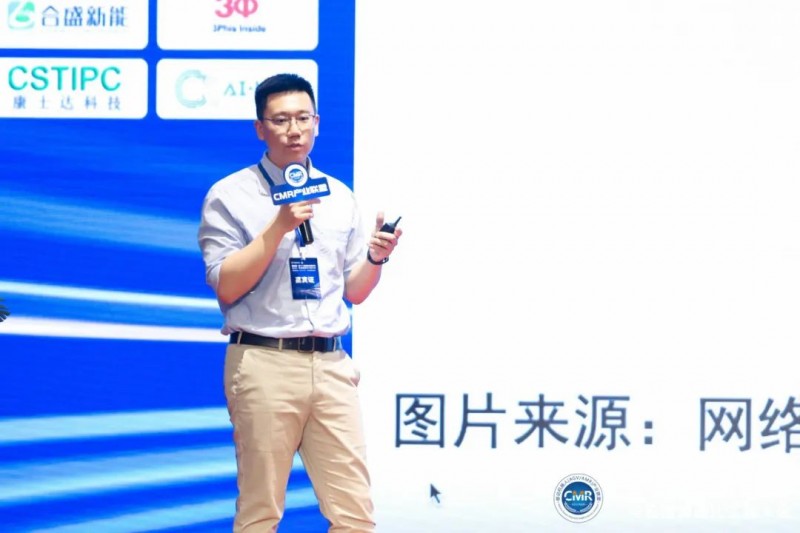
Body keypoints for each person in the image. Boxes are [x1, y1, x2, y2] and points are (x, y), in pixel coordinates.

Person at [197, 72, 400, 532]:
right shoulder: (230, 195)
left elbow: (354, 291)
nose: (294, 130)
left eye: (303, 118)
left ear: (317, 123)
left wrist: (375, 258)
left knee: (355, 515)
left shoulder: (339, 195)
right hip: (264, 361)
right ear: (260, 128)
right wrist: (278, 227)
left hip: (331, 365)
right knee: (261, 512)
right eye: (281, 120)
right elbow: (226, 286)